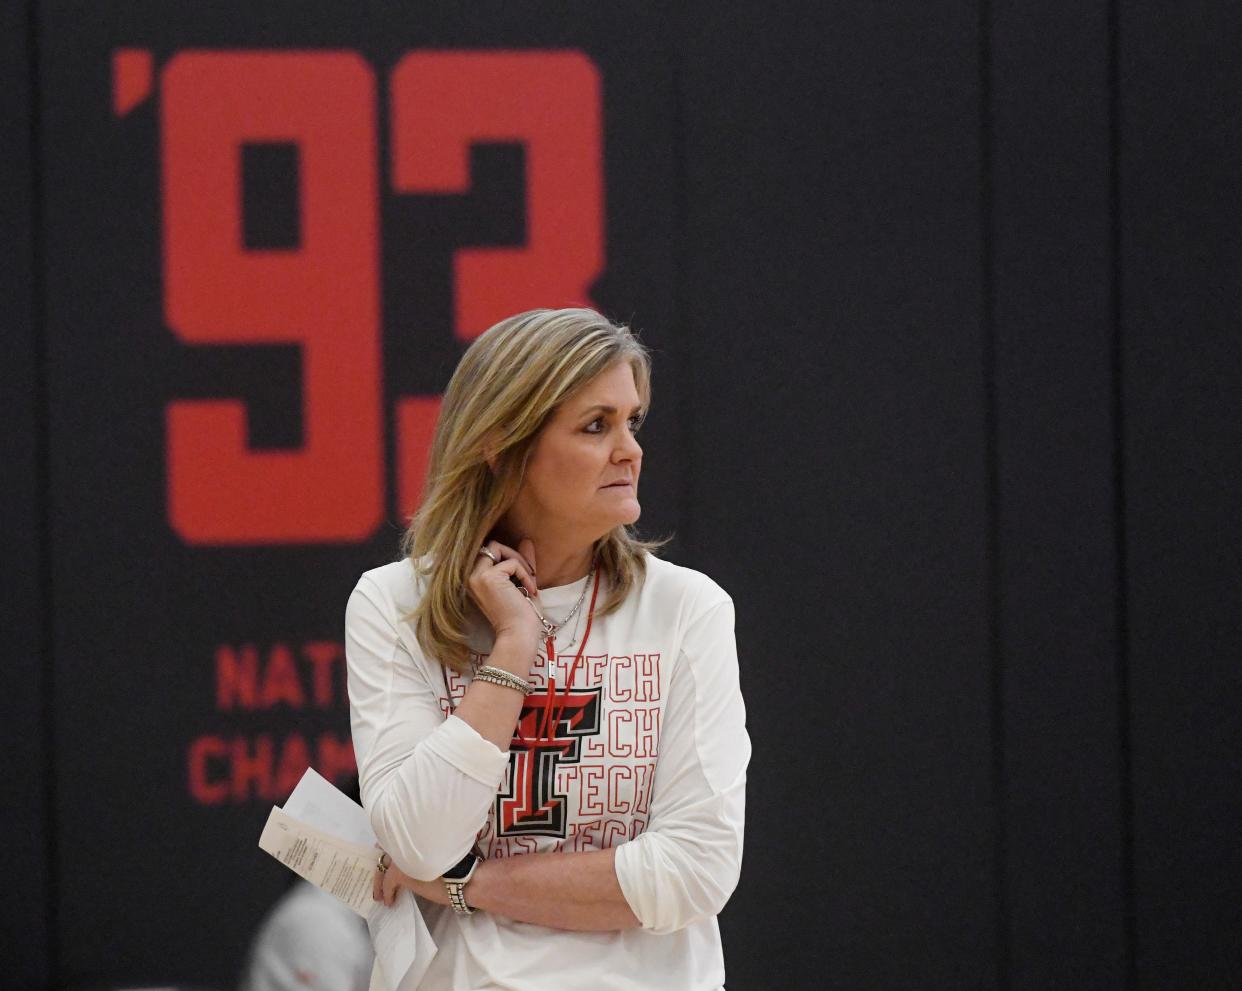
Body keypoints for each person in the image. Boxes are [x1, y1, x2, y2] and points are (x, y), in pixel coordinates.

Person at [344, 307, 750, 990]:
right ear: (501, 444)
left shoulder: (687, 608)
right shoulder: (392, 602)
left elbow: (696, 869)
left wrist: (466, 885)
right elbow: (418, 840)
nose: (631, 449)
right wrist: (513, 646)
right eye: (596, 425)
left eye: (632, 421)